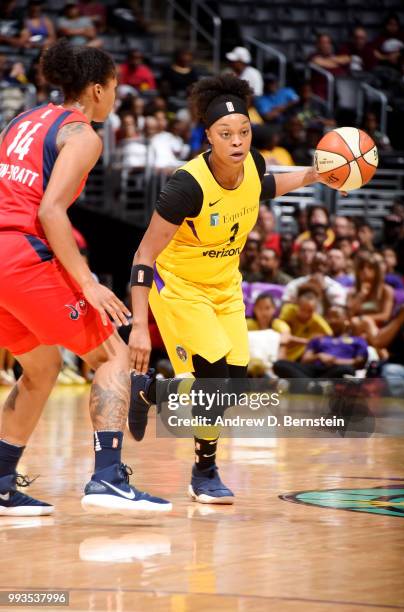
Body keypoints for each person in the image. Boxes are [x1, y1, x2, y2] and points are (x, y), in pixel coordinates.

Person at [127, 73, 332, 504]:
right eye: (226, 134)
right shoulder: (187, 186)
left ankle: (151, 390)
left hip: (224, 289)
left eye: (244, 132)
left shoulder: (252, 165)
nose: (237, 141)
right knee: (214, 375)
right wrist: (140, 328)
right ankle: (204, 471)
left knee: (235, 383)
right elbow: (144, 254)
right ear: (209, 137)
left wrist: (315, 174)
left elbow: (269, 184)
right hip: (180, 287)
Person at [0, 40, 171, 517]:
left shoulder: (23, 120)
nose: (115, 97)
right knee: (112, 354)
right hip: (21, 254)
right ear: (97, 88)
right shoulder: (82, 134)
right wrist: (88, 283)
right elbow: (51, 210)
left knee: (41, 368)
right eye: (115, 88)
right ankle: (107, 478)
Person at [273, 305, 368, 381]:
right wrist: (318, 356)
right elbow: (305, 360)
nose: (332, 320)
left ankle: (309, 384)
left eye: (336, 316)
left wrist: (334, 361)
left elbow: (358, 362)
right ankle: (314, 385)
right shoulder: (318, 339)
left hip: (336, 369)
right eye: (329, 317)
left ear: (347, 319)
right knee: (280, 364)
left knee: (347, 370)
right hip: (314, 369)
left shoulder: (358, 340)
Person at [272, 283, 332, 362]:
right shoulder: (288, 310)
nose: (306, 314)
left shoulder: (317, 320)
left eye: (310, 311)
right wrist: (307, 341)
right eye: (303, 310)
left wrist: (316, 339)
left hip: (299, 356)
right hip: (277, 349)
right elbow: (285, 338)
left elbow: (330, 335)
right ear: (297, 305)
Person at [348, 252, 394, 331]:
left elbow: (385, 316)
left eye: (370, 268)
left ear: (376, 271)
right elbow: (349, 314)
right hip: (357, 327)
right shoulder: (352, 292)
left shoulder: (386, 290)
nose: (365, 271)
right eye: (361, 268)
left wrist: (363, 318)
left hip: (378, 329)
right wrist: (360, 296)